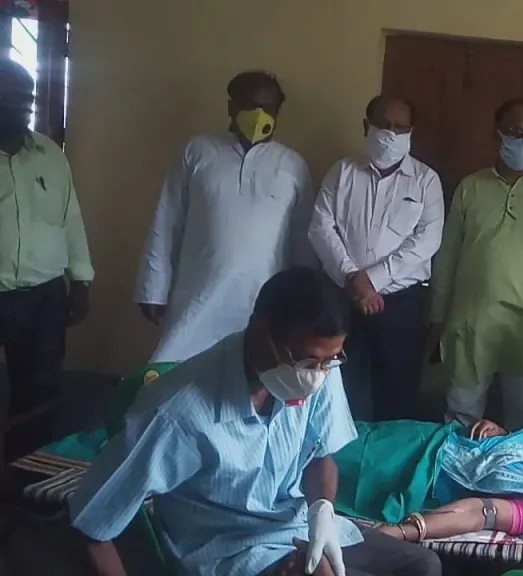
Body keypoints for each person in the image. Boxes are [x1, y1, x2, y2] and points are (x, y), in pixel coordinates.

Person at [69, 268, 442, 576]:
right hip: (227, 551)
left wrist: (322, 514)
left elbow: (320, 454)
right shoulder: (176, 414)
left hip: (294, 525)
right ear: (262, 333)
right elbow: (91, 524)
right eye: (310, 361)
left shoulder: (319, 369)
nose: (319, 374)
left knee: (422, 567)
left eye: (331, 360)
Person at [136, 70, 314, 363]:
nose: (259, 114)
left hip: (261, 302)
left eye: (268, 108)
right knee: (175, 370)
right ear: (232, 107)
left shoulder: (293, 165)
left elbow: (302, 241)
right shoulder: (197, 151)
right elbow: (167, 222)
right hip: (197, 298)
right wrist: (153, 288)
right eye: (250, 105)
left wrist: (302, 302)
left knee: (248, 373)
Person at [430, 98, 523, 431]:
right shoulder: (470, 187)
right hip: (472, 324)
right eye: (515, 131)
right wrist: (437, 316)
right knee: (460, 419)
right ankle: (455, 467)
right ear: (496, 135)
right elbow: (447, 255)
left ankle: (512, 468)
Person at [309, 95, 444, 421]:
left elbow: (427, 240)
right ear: (366, 126)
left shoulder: (426, 181)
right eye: (384, 125)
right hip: (342, 298)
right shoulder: (342, 172)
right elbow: (321, 227)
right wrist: (351, 278)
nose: (391, 133)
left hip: (400, 304)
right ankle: (341, 449)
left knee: (398, 393)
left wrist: (371, 280)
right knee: (339, 389)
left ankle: (393, 452)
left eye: (400, 127)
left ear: (411, 131)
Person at [329, 417, 523, 542]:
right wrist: (501, 433)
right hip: (428, 439)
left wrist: (405, 531)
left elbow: (481, 512)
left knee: (330, 455)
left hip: (409, 473)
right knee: (343, 431)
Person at [0, 58, 93, 462]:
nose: (16, 106)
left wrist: (81, 281)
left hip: (44, 296)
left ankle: (25, 471)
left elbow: (70, 217)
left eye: (25, 98)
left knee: (38, 394)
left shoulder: (50, 154)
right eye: (6, 97)